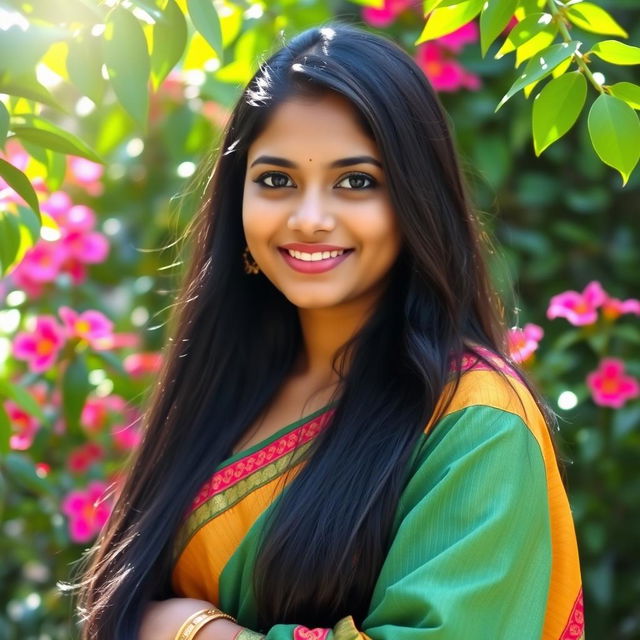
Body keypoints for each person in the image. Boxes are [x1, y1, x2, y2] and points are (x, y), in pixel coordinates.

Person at [74, 22, 584, 640]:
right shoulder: (225, 385)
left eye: (357, 182)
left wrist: (199, 632)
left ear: (416, 203)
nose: (309, 218)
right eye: (276, 180)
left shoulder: (475, 422)